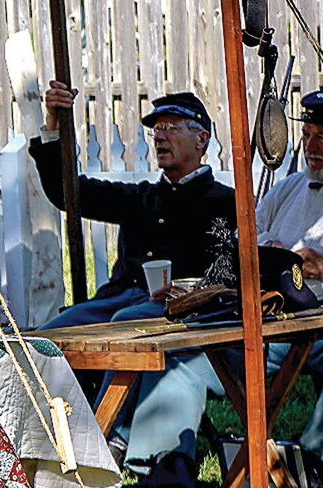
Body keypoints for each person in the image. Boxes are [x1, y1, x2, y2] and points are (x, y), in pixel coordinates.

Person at [120, 87, 323, 488]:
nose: (310, 146)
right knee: (186, 359)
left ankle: (317, 462)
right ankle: (163, 465)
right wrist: (274, 251)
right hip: (266, 316)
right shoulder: (290, 187)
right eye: (308, 135)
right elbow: (242, 233)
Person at [32, 85, 235, 328]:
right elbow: (65, 193)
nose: (160, 137)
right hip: (113, 303)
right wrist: (54, 122)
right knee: (46, 340)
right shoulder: (139, 198)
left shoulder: (227, 203)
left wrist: (186, 289)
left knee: (125, 324)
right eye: (158, 130)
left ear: (201, 139)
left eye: (171, 128)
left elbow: (231, 277)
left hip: (177, 312)